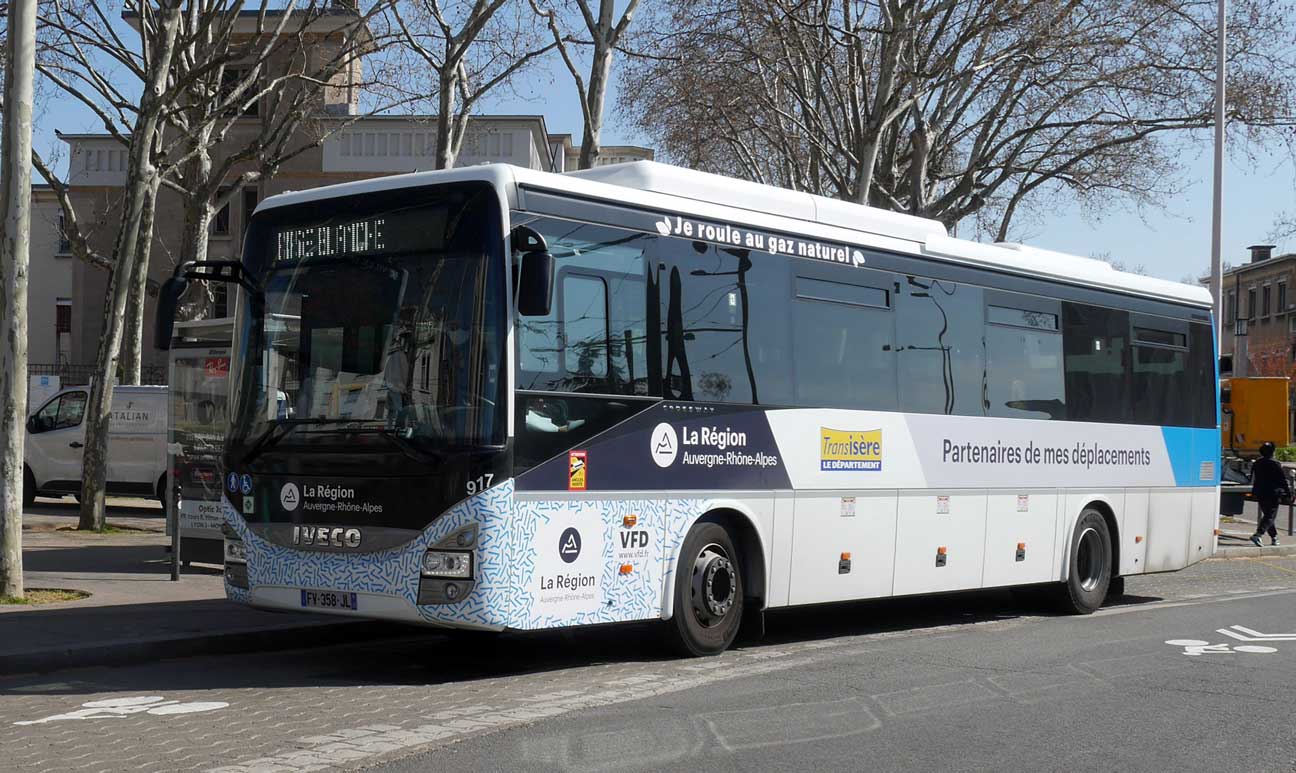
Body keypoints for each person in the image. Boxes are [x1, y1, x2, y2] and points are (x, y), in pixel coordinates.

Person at [1250, 441, 1288, 547]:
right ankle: (1258, 534)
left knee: (1268, 516)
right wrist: (1288, 493)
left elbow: (1254, 478)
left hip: (1260, 492)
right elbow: (1282, 480)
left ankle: (1274, 537)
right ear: (1272, 452)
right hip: (1273, 493)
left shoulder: (1257, 463)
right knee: (1270, 516)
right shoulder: (1275, 463)